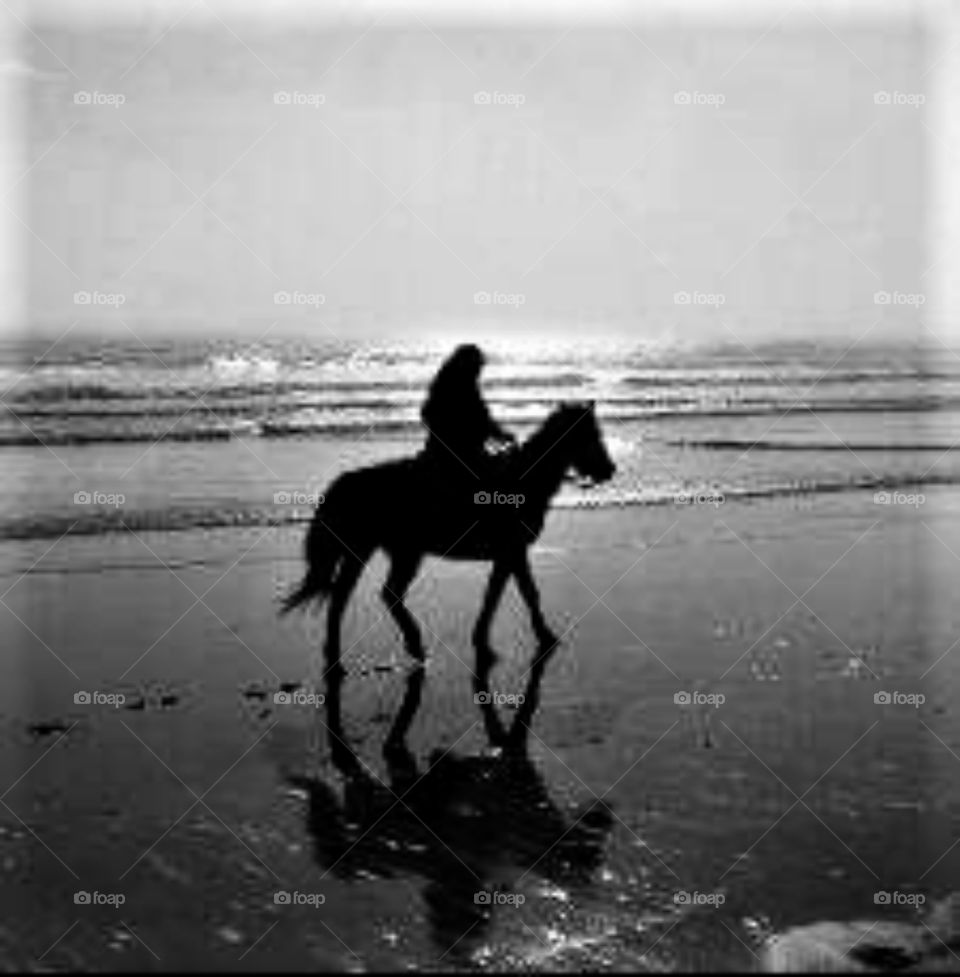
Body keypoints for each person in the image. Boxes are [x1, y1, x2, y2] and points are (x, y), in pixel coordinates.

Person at [419, 344, 515, 479]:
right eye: (478, 367)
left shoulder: (443, 384)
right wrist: (501, 435)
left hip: (442, 448)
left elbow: (426, 414)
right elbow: (483, 422)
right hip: (461, 452)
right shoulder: (465, 389)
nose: (479, 372)